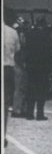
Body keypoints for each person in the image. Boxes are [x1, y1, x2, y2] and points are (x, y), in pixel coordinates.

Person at [24, 16, 52, 121]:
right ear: (44, 24)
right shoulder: (47, 36)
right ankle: (40, 114)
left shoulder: (30, 34)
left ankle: (29, 113)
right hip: (43, 67)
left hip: (31, 66)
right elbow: (50, 52)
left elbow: (26, 49)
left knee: (30, 90)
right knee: (42, 91)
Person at [3, 15, 21, 143]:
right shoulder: (13, 32)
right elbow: (17, 49)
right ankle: (2, 135)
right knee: (4, 104)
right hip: (7, 68)